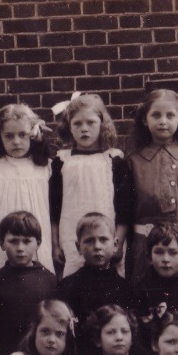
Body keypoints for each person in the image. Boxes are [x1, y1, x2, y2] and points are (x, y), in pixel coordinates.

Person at [127, 89, 178, 283]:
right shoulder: (134, 161)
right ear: (144, 120)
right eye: (156, 115)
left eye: (170, 115)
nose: (163, 121)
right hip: (146, 246)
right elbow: (127, 207)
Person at [49, 92, 132, 277]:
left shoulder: (114, 160)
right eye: (77, 123)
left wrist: (118, 241)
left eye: (90, 123)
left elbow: (125, 207)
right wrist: (55, 245)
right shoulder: (61, 161)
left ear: (102, 124)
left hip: (107, 238)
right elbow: (54, 207)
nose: (84, 129)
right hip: (71, 237)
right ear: (69, 127)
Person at [0, 103, 56, 271]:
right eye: (9, 136)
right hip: (6, 240)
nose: (16, 141)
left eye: (22, 134)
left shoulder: (45, 168)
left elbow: (54, 209)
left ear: (33, 134)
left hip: (38, 239)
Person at [0, 211, 58, 355]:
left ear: (38, 244)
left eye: (27, 241)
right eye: (13, 241)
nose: (20, 248)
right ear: (2, 243)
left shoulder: (49, 280)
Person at [55, 213, 133, 326]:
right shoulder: (68, 287)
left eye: (103, 239)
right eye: (89, 241)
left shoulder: (125, 288)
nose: (97, 246)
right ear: (78, 247)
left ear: (115, 244)